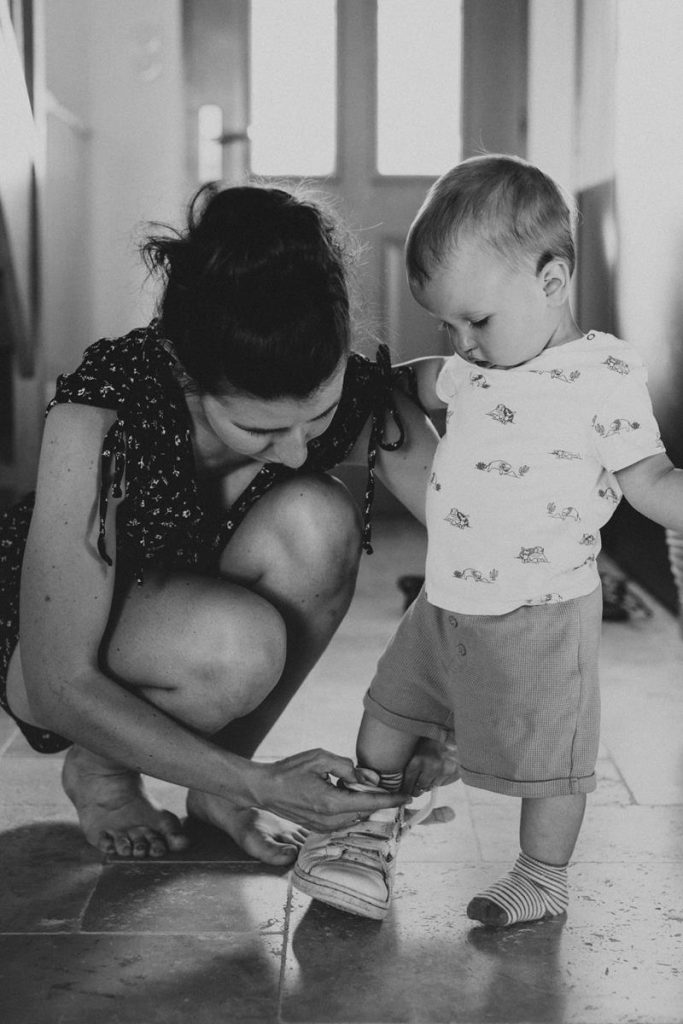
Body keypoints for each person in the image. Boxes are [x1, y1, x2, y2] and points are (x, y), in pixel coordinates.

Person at [0, 181, 441, 864]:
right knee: (237, 647)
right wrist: (265, 787)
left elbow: (486, 544)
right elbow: (60, 684)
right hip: (49, 655)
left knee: (320, 516)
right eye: (260, 428)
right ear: (185, 371)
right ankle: (104, 768)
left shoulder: (353, 389)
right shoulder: (104, 407)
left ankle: (215, 790)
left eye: (317, 417)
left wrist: (450, 708)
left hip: (198, 614)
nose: (297, 450)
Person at [293, 153, 683, 924]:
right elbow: (407, 380)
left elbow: (647, 481)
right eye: (448, 323)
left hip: (540, 614)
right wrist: (349, 386)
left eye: (476, 319)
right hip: (444, 600)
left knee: (550, 765)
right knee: (388, 714)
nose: (462, 341)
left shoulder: (601, 372)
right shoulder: (469, 368)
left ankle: (541, 875)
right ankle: (367, 841)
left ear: (551, 280)